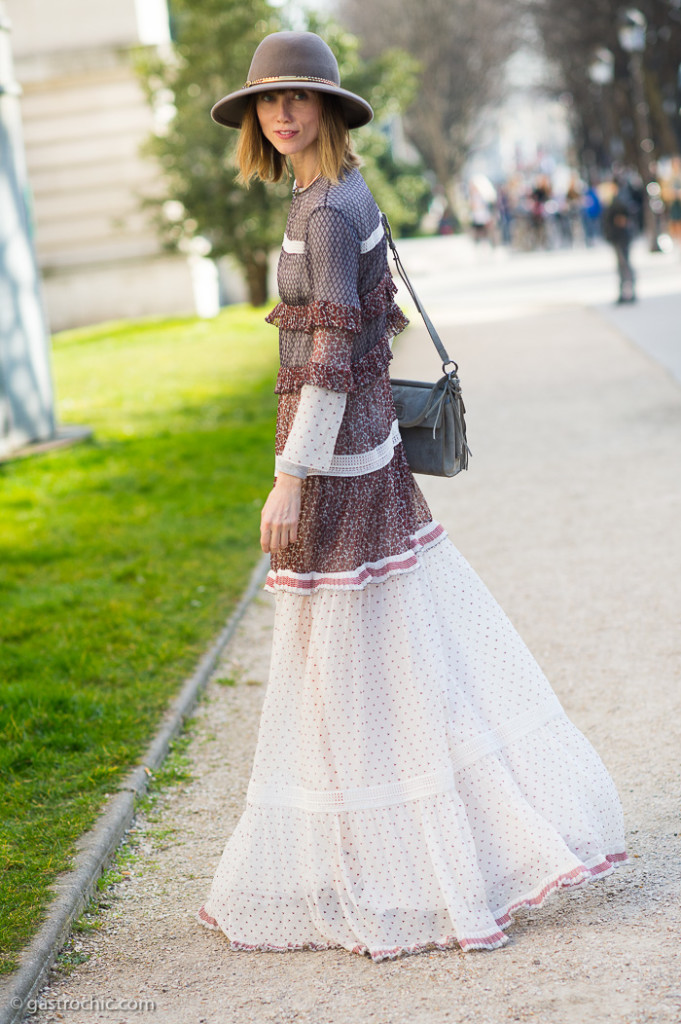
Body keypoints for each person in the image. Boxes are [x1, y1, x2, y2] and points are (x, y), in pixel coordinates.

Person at [198, 31, 628, 961]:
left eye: (297, 99)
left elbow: (324, 360)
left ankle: (410, 869)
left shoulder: (323, 212)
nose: (280, 113)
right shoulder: (341, 196)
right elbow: (365, 343)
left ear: (326, 110)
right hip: (370, 456)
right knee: (390, 669)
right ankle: (423, 856)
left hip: (338, 475)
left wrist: (289, 477)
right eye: (268, 101)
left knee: (344, 687)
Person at [605, 176, 638, 304]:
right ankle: (625, 291)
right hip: (617, 237)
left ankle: (629, 291)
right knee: (622, 265)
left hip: (621, 237)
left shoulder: (621, 199)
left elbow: (624, 218)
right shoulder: (616, 198)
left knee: (624, 264)